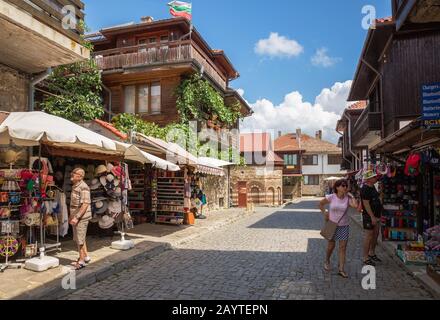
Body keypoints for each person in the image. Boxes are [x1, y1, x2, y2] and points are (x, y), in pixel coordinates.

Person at [319, 179, 358, 278]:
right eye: (343, 185)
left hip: (344, 226)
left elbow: (356, 206)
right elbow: (320, 204)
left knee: (342, 248)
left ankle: (341, 269)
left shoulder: (348, 199)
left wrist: (352, 196)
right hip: (332, 225)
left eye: (346, 185)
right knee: (331, 246)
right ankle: (327, 260)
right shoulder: (331, 197)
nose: (345, 187)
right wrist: (325, 212)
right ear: (337, 187)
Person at [69, 168, 92, 270]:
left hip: (81, 217)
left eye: (74, 173)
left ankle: (81, 262)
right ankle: (85, 257)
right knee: (80, 237)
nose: (72, 174)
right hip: (76, 216)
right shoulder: (76, 186)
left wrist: (77, 217)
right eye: (73, 172)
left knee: (80, 240)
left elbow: (85, 204)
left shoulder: (83, 187)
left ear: (80, 176)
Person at [361, 170, 383, 266]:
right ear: (369, 179)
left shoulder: (372, 187)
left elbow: (377, 198)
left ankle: (372, 252)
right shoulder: (365, 189)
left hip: (376, 215)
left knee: (375, 234)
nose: (375, 178)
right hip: (369, 216)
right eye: (374, 177)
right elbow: (366, 204)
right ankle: (365, 257)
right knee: (369, 236)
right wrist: (372, 217)